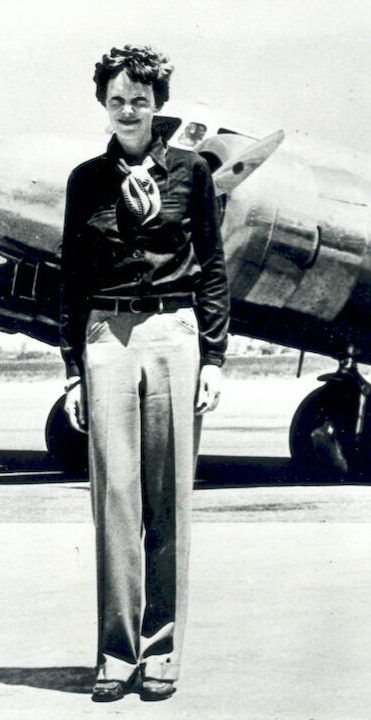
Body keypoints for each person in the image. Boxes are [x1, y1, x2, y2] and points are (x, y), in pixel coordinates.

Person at [59, 44, 230, 703]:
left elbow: (212, 270)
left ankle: (160, 655)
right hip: (107, 334)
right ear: (102, 105)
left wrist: (213, 359)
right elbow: (72, 281)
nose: (127, 109)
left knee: (169, 503)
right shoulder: (85, 181)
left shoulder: (191, 173)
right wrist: (74, 369)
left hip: (173, 334)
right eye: (115, 100)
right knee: (114, 504)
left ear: (158, 104)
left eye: (139, 99)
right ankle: (115, 654)